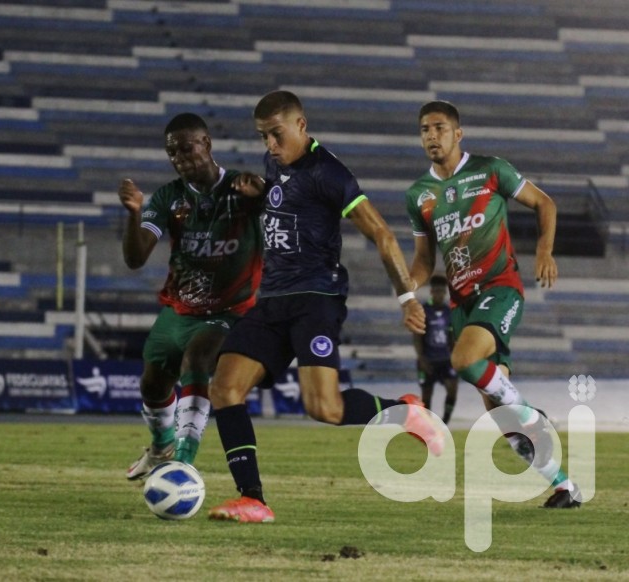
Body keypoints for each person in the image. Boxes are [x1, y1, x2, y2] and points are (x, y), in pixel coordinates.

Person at [206, 90, 446, 523]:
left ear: (301, 126)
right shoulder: (273, 164)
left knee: (325, 409)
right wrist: (257, 194)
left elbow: (382, 234)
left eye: (276, 135)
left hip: (316, 299)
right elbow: (285, 205)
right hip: (272, 299)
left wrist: (407, 297)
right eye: (263, 138)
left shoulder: (328, 172)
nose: (270, 147)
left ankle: (406, 411)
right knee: (224, 389)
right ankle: (253, 499)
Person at [406, 100, 580, 508]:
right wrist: (405, 286)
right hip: (462, 305)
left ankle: (528, 410)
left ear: (457, 133)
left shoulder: (490, 170)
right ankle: (565, 487)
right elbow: (423, 260)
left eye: (439, 128)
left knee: (465, 359)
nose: (432, 136)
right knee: (503, 421)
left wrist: (544, 251)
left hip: (500, 288)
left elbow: (545, 203)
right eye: (424, 130)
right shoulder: (419, 195)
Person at [120, 112, 264, 479]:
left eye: (187, 149)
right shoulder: (170, 197)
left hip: (229, 309)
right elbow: (136, 259)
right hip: (180, 308)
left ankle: (182, 462)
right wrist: (134, 214)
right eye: (172, 153)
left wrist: (261, 197)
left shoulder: (242, 188)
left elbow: (280, 208)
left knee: (198, 359)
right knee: (152, 384)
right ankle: (161, 446)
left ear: (207, 145)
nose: (180, 159)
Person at [413, 274, 458, 424]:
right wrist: (421, 358)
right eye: (436, 291)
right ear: (432, 292)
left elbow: (451, 336)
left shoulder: (448, 312)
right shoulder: (424, 310)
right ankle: (428, 423)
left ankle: (445, 420)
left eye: (442, 291)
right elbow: (418, 336)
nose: (439, 294)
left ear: (445, 292)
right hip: (428, 359)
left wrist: (455, 356)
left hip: (445, 359)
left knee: (452, 388)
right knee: (426, 394)